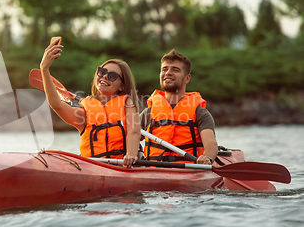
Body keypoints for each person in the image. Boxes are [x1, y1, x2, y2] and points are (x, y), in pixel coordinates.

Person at [40, 38, 141, 167]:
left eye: (112, 76)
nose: (104, 76)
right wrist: (44, 68)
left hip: (121, 167)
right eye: (102, 72)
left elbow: (134, 132)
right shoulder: (85, 113)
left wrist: (131, 155)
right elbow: (57, 105)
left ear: (122, 86)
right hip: (92, 168)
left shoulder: (128, 104)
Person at [140, 49, 217, 165]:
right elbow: (131, 138)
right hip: (153, 170)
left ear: (187, 78)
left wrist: (207, 157)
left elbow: (211, 143)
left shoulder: (200, 113)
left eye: (175, 70)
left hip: (190, 170)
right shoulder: (148, 113)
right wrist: (135, 153)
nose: (168, 73)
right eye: (164, 69)